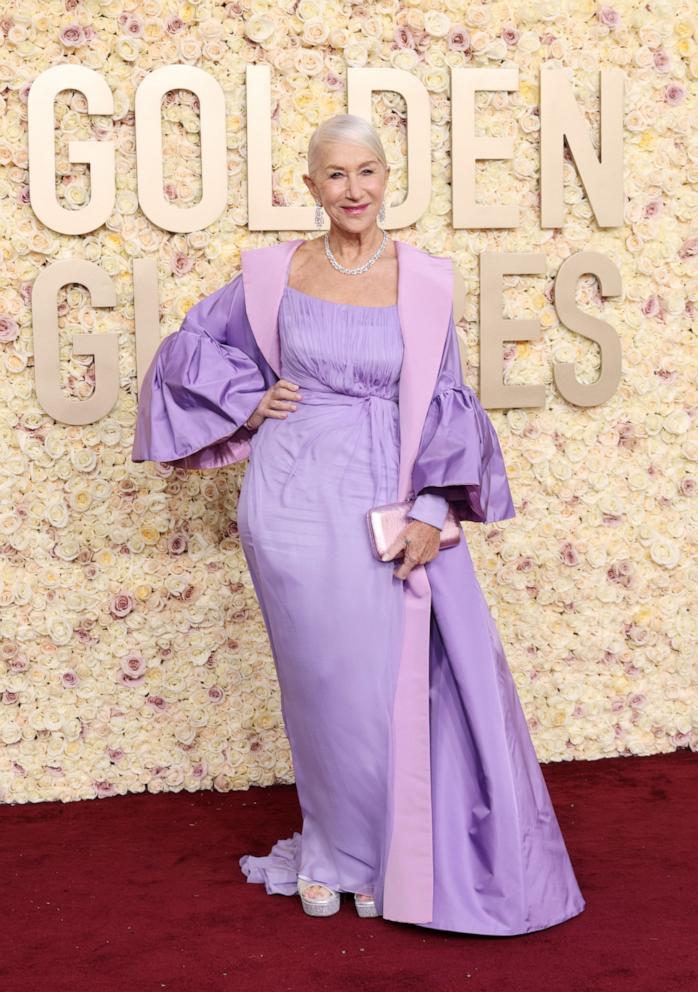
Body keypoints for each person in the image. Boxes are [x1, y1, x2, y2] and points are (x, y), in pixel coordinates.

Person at [132, 114, 586, 933]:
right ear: (310, 186)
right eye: (335, 175)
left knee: (384, 686)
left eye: (367, 172)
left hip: (386, 494)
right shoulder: (271, 273)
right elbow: (186, 348)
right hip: (290, 502)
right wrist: (247, 399)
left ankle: (382, 855)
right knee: (318, 686)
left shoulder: (426, 281)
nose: (354, 189)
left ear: (387, 179)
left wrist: (432, 509)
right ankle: (328, 851)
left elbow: (447, 399)